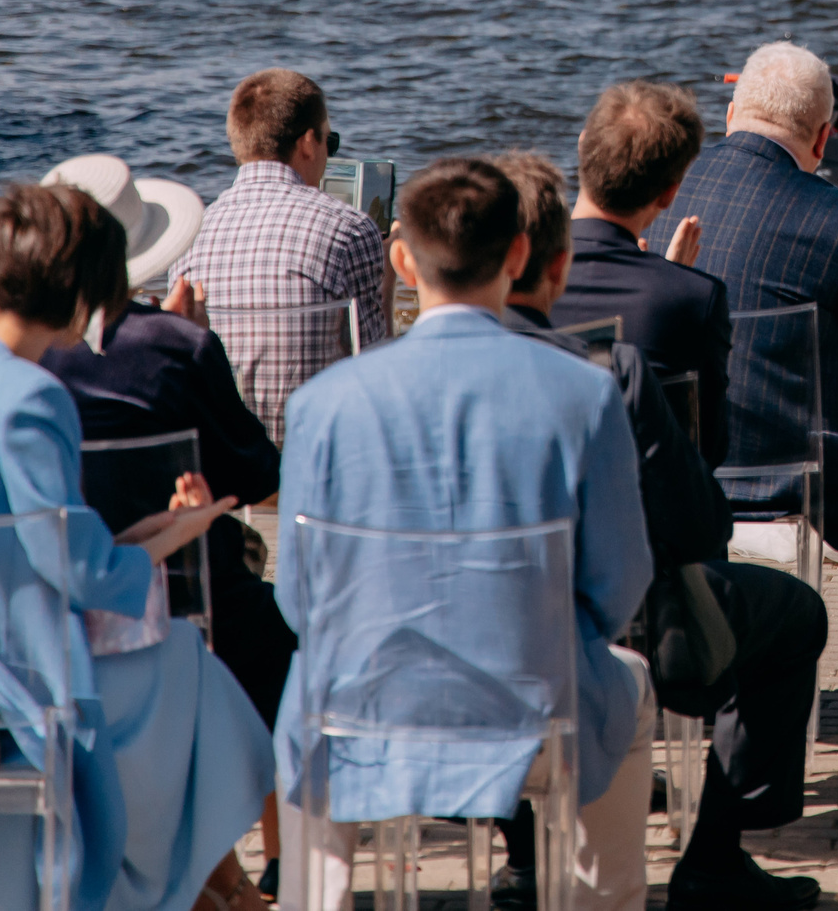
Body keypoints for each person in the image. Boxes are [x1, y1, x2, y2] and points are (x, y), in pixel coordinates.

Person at [0, 184, 268, 911]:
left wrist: (136, 544)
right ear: (78, 293)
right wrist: (167, 541)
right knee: (187, 665)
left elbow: (16, 540)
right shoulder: (30, 398)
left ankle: (189, 888)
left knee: (171, 674)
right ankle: (168, 883)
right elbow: (79, 569)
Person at [271, 159, 653, 911]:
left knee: (304, 695)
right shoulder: (582, 391)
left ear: (403, 260)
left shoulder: (323, 402)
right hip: (533, 711)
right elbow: (619, 582)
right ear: (518, 255)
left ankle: (313, 898)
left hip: (363, 709)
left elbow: (300, 597)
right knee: (629, 685)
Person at [490, 152, 828, 911]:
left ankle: (521, 857)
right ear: (549, 258)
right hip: (608, 640)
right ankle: (714, 854)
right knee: (796, 612)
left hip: (446, 663)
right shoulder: (610, 370)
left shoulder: (373, 386)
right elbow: (700, 522)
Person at [37, 154, 299, 899]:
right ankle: (276, 854)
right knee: (281, 647)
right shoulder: (178, 347)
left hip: (74, 606)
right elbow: (257, 474)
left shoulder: (28, 360)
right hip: (195, 602)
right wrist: (194, 341)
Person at [649, 41, 838, 553]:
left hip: (680, 459)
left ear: (732, 112)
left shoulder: (658, 189)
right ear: (824, 138)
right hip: (805, 483)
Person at [175, 69, 390, 443]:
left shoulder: (188, 234)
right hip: (318, 457)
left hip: (229, 466)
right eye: (330, 141)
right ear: (308, 142)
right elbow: (373, 367)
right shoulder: (350, 227)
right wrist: (390, 274)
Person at [548, 81, 735, 466]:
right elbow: (708, 449)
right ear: (669, 194)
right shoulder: (694, 298)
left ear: (583, 147)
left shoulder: (509, 277)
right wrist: (671, 279)